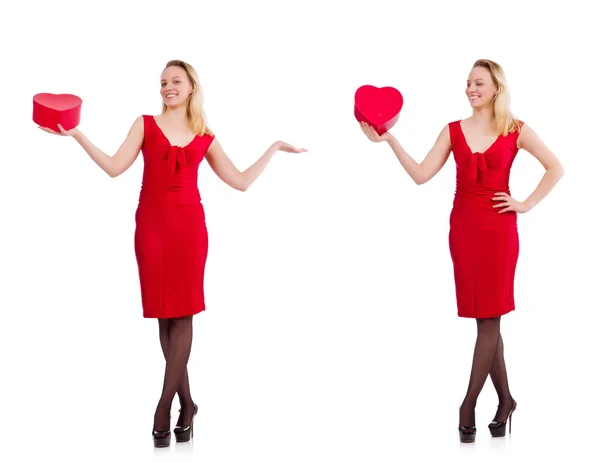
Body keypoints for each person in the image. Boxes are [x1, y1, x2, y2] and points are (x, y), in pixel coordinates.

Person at [39, 59, 307, 447]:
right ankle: (188, 403)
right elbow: (115, 167)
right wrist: (77, 134)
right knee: (163, 315)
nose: (167, 87)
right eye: (163, 82)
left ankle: (164, 406)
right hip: (151, 228)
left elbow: (241, 181)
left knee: (182, 312)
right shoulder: (145, 124)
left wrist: (275, 148)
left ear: (191, 87)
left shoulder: (205, 135)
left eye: (175, 81)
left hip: (189, 232)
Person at [359, 58, 564, 443]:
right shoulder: (452, 130)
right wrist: (390, 141)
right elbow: (421, 174)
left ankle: (468, 404)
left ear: (496, 89)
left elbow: (555, 167)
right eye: (468, 83)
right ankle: (506, 401)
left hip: (500, 233)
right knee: (485, 318)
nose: (471, 89)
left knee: (489, 320)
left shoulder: (516, 129)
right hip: (465, 233)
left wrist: (525, 203)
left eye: (479, 83)